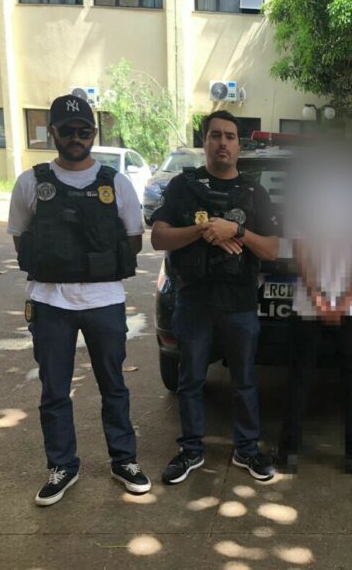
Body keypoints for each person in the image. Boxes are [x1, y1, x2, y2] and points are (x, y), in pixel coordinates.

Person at [7, 94, 151, 506]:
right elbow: (21, 238)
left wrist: (93, 263)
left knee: (114, 385)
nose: (76, 138)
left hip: (104, 300)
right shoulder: (31, 182)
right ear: (52, 132)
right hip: (50, 301)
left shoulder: (116, 183)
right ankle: (62, 466)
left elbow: (133, 239)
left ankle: (124, 460)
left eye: (84, 131)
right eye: (67, 130)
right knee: (54, 390)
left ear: (94, 133)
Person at [151, 110, 279, 483]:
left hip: (239, 302)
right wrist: (202, 229)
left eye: (230, 136)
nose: (223, 142)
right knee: (191, 379)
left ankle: (247, 449)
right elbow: (158, 237)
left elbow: (271, 249)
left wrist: (234, 230)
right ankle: (190, 450)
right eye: (215, 135)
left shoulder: (254, 192)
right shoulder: (182, 186)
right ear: (205, 142)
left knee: (244, 380)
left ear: (239, 145)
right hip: (194, 300)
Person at [278, 140, 352, 474]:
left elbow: (299, 251)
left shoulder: (303, 193)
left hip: (307, 306)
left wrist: (318, 297)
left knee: (299, 377)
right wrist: (344, 301)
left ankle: (288, 453)